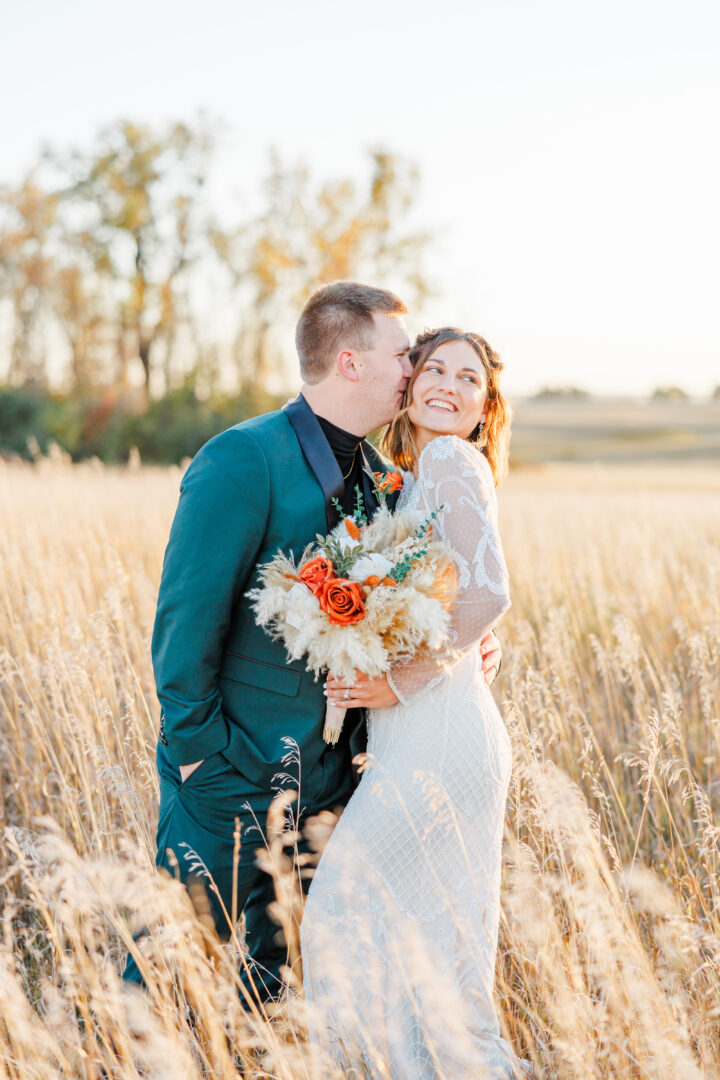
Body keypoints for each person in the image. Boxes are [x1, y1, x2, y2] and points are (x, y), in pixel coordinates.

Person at [123, 285, 502, 1000]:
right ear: (351, 363)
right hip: (228, 774)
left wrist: (464, 652)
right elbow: (185, 621)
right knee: (161, 976)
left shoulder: (390, 481)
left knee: (280, 986)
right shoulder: (242, 457)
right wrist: (202, 751)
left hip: (338, 786)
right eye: (404, 354)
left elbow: (433, 596)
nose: (414, 368)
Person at [301, 327, 529, 1078]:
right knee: (431, 940)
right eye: (434, 368)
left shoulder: (449, 458)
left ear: (484, 403)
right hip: (432, 731)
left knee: (338, 910)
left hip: (440, 732)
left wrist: (399, 680)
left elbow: (490, 593)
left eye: (468, 379)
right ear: (411, 381)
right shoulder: (415, 470)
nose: (447, 386)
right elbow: (457, 598)